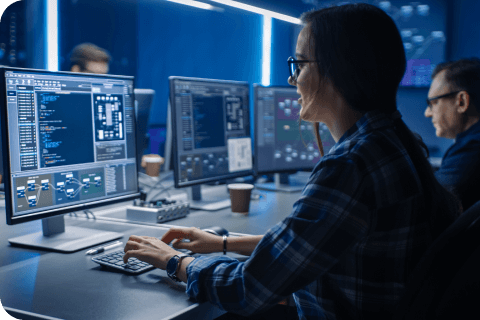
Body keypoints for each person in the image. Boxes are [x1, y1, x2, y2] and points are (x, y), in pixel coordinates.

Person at [123, 4, 462, 319]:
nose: (291, 79)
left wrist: (174, 261)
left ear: (338, 70)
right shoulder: (396, 142)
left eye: (299, 65)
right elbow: (312, 245)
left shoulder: (351, 167)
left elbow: (249, 288)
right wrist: (223, 243)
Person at [425, 58, 480, 211]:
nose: (427, 113)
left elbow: (428, 205)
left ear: (461, 101)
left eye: (433, 103)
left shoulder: (472, 149)